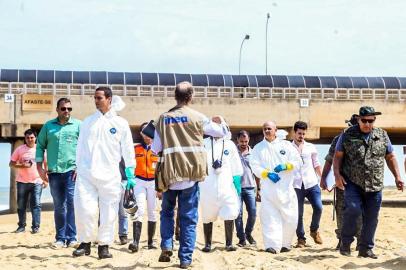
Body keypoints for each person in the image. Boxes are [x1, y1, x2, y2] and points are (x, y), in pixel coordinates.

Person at [152, 81, 229, 269]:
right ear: (191, 97)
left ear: (175, 96)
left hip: (170, 173)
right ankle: (185, 259)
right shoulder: (198, 117)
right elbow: (222, 133)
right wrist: (221, 121)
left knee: (167, 212)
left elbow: (155, 149)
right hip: (191, 174)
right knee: (189, 217)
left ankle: (167, 244)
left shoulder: (163, 118)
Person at [72, 87, 135, 259]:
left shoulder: (120, 123)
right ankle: (85, 243)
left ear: (109, 99)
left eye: (99, 98)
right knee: (85, 209)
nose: (96, 100)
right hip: (86, 174)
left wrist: (130, 172)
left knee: (109, 212)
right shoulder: (87, 121)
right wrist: (78, 167)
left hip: (110, 175)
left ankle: (104, 246)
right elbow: (80, 147)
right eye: (95, 98)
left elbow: (128, 149)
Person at [333, 106, 404, 259]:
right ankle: (345, 242)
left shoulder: (382, 135)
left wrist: (398, 177)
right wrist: (337, 176)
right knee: (353, 210)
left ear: (374, 120)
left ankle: (365, 249)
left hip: (375, 184)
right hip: (353, 182)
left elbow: (390, 157)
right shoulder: (347, 135)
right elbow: (337, 156)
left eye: (370, 121)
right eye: (364, 120)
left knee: (372, 217)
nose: (367, 124)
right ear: (358, 119)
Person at [250, 121, 302, 254]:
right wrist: (266, 174)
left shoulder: (286, 146)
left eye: (269, 128)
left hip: (286, 189)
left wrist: (287, 166)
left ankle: (285, 244)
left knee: (290, 218)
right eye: (265, 129)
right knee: (269, 217)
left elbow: (298, 162)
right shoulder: (258, 148)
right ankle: (271, 245)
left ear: (275, 130)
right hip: (268, 190)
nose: (267, 131)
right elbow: (254, 166)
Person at [36, 97, 81, 249]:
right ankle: (60, 238)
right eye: (63, 108)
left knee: (71, 203)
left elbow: (85, 147)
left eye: (69, 108)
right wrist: (39, 167)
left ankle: (72, 237)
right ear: (57, 110)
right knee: (59, 206)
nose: (66, 111)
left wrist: (79, 166)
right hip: (54, 172)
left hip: (71, 172)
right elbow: (40, 146)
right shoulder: (48, 126)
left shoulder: (78, 125)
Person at [320, 114, 362, 250]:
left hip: (362, 184)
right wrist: (323, 177)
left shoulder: (370, 139)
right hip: (342, 182)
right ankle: (343, 240)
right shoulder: (339, 139)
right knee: (342, 211)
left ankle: (361, 241)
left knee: (360, 211)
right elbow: (330, 159)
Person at [200, 129, 243, 252]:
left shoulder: (230, 144)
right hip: (207, 185)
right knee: (207, 214)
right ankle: (207, 244)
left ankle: (229, 243)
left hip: (226, 186)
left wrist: (237, 183)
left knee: (230, 212)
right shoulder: (203, 143)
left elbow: (236, 166)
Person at [128, 122, 160, 252]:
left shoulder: (157, 149)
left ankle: (151, 242)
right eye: (143, 132)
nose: (146, 136)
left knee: (152, 211)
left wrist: (161, 187)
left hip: (153, 182)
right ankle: (135, 242)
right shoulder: (135, 149)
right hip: (139, 181)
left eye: (149, 133)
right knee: (139, 211)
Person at [291, 121, 323, 247]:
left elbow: (316, 164)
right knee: (298, 213)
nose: (301, 136)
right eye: (299, 133)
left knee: (319, 207)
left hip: (312, 183)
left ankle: (314, 230)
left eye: (303, 134)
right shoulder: (288, 147)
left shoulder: (311, 147)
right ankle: (301, 239)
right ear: (294, 132)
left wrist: (323, 178)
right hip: (296, 184)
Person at [10, 129, 46, 234]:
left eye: (32, 138)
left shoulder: (40, 149)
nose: (29, 139)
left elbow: (45, 164)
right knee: (21, 205)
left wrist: (45, 179)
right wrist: (22, 165)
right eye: (27, 138)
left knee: (36, 204)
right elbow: (11, 163)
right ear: (25, 138)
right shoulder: (20, 149)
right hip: (22, 182)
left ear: (35, 138)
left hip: (37, 181)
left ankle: (35, 227)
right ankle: (21, 226)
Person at [234, 130, 259, 247]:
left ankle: (248, 233)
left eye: (246, 141)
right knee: (237, 214)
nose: (244, 143)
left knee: (253, 213)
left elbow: (257, 172)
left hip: (250, 187)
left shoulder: (254, 153)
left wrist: (259, 189)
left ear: (248, 140)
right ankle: (241, 239)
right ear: (237, 140)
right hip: (236, 188)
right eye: (241, 141)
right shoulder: (233, 153)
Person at [117, 159, 129, 245]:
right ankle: (101, 234)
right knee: (105, 209)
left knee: (123, 211)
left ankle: (123, 235)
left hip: (124, 180)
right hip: (109, 180)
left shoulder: (125, 147)